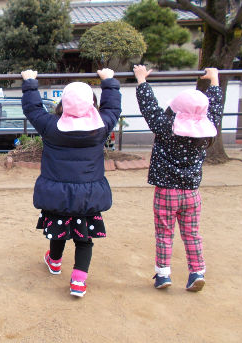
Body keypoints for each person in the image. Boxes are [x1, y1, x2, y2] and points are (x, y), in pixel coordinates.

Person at [21, 69, 122, 297]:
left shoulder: (50, 126)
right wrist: (108, 81)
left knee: (58, 230)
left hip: (57, 194)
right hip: (88, 195)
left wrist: (29, 82)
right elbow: (113, 108)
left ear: (63, 104)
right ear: (92, 104)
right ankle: (78, 281)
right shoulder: (101, 126)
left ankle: (55, 262)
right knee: (83, 238)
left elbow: (32, 109)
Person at [133, 65, 223, 292]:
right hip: (192, 192)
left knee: (164, 234)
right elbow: (216, 109)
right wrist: (214, 80)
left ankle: (163, 275)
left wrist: (142, 80)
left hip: (166, 192)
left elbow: (150, 109)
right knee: (191, 233)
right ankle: (197, 271)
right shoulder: (207, 129)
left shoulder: (167, 127)